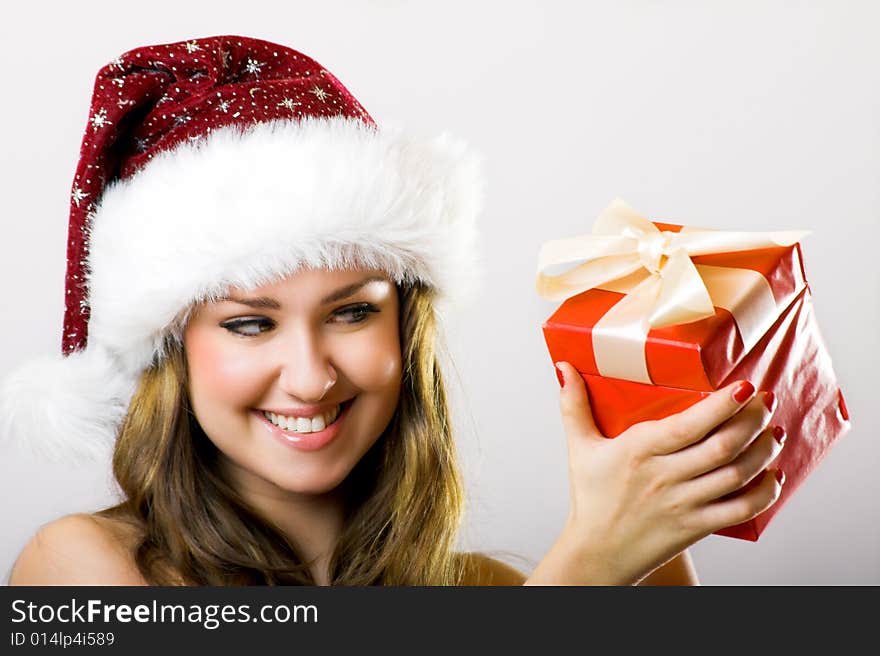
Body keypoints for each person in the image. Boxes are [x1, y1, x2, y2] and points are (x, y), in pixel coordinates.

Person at [3, 35, 783, 586]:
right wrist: (591, 568)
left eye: (350, 314)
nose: (309, 379)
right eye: (250, 323)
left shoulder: (490, 592)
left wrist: (651, 505)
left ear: (406, 331)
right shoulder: (85, 569)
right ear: (173, 351)